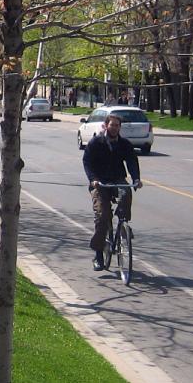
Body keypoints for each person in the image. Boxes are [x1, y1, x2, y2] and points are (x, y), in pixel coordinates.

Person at [82, 114, 142, 270]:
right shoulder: (96, 142)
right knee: (102, 217)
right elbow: (87, 161)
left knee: (126, 191)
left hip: (117, 179)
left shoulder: (124, 144)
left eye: (117, 125)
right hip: (99, 183)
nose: (114, 128)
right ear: (106, 125)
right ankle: (98, 254)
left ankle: (123, 223)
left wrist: (136, 179)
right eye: (112, 125)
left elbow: (132, 161)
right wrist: (93, 179)